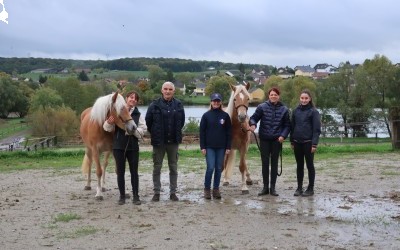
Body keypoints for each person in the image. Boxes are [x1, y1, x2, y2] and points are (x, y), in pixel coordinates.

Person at [103, 91, 147, 205]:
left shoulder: (138, 115)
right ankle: (122, 196)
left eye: (135, 99)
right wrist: (108, 122)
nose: (133, 100)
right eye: (131, 97)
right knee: (120, 172)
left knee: (134, 172)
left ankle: (136, 196)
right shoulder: (117, 111)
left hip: (133, 146)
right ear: (126, 99)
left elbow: (143, 130)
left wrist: (134, 132)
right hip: (118, 146)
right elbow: (107, 128)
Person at [145, 81, 185, 202]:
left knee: (173, 167)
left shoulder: (178, 105)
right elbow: (148, 122)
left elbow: (181, 122)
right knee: (157, 167)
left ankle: (173, 193)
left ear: (174, 91)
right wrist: (156, 133)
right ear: (162, 90)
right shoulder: (154, 105)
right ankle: (157, 192)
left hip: (173, 141)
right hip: (159, 142)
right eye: (165, 89)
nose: (168, 91)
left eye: (170, 89)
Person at [249, 87, 290, 196]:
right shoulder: (261, 107)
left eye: (275, 95)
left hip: (277, 140)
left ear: (278, 96)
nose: (273, 96)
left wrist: (283, 135)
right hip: (264, 139)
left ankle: (273, 188)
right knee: (265, 164)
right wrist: (253, 124)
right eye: (271, 95)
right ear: (269, 96)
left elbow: (287, 126)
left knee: (274, 164)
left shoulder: (284, 109)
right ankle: (265, 187)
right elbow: (253, 118)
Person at [200, 93, 232, 199]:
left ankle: (216, 189)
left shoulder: (225, 116)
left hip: (221, 147)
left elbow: (229, 133)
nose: (216, 103)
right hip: (209, 147)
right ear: (211, 102)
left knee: (218, 168)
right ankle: (207, 189)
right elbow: (202, 132)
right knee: (210, 168)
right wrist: (202, 147)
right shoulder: (206, 115)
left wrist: (228, 147)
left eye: (218, 101)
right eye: (214, 101)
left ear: (220, 102)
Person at [290, 89, 321, 197]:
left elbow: (316, 130)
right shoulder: (295, 111)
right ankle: (299, 187)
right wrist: (292, 141)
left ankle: (311, 188)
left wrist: (314, 144)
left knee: (309, 165)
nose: (304, 100)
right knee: (299, 165)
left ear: (310, 99)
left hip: (308, 143)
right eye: (302, 98)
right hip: (297, 142)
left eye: (306, 98)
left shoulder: (314, 112)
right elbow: (292, 127)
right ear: (300, 98)